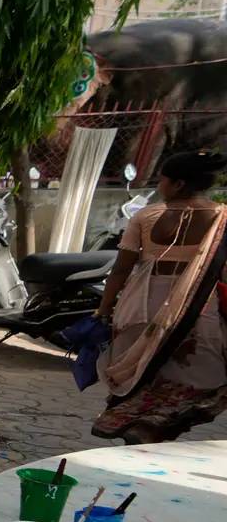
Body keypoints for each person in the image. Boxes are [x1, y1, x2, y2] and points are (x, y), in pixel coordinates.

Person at [92, 149, 227, 444]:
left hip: (140, 308)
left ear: (178, 184)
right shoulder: (222, 219)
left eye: (162, 179)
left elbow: (121, 270)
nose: (159, 185)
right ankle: (151, 429)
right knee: (192, 378)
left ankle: (136, 429)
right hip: (195, 311)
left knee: (141, 374)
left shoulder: (146, 216)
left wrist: (104, 309)